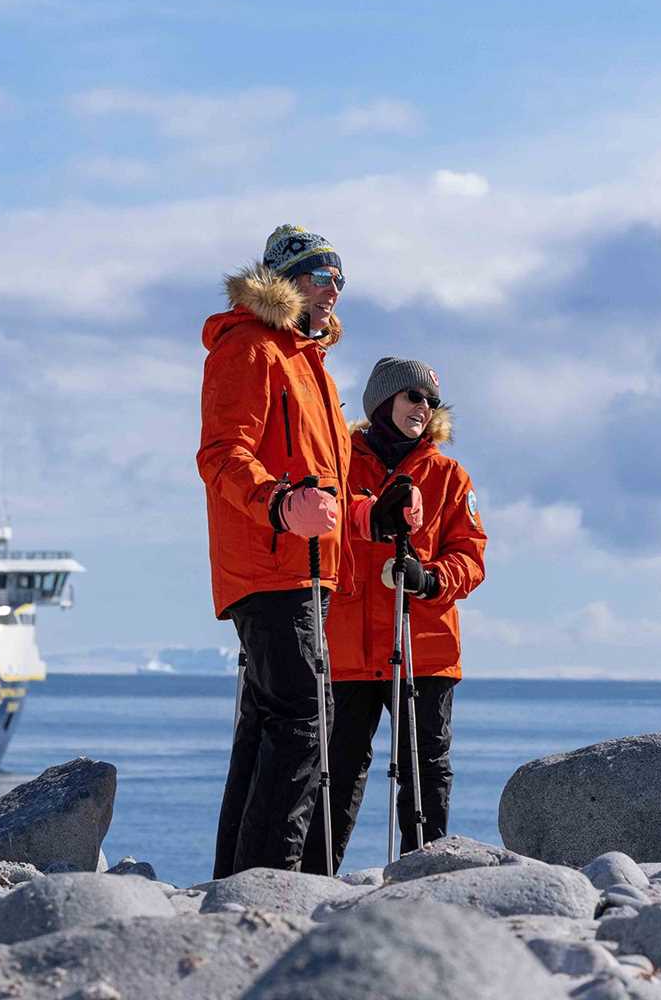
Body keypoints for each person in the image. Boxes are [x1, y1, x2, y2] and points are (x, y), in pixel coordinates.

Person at [198, 225, 420, 877]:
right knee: (304, 719)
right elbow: (221, 456)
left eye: (341, 281)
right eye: (322, 277)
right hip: (267, 567)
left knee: (269, 726)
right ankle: (272, 880)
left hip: (308, 569)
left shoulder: (310, 367)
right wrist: (276, 503)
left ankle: (236, 882)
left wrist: (370, 515)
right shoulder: (247, 349)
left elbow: (323, 490)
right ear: (285, 280)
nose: (334, 292)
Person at [303, 357, 487, 872]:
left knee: (424, 768)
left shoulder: (449, 475)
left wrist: (430, 579)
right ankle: (316, 878)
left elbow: (471, 556)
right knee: (336, 768)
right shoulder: (339, 464)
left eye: (430, 401)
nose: (422, 408)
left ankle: (423, 873)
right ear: (383, 401)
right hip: (350, 647)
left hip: (423, 645)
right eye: (412, 396)